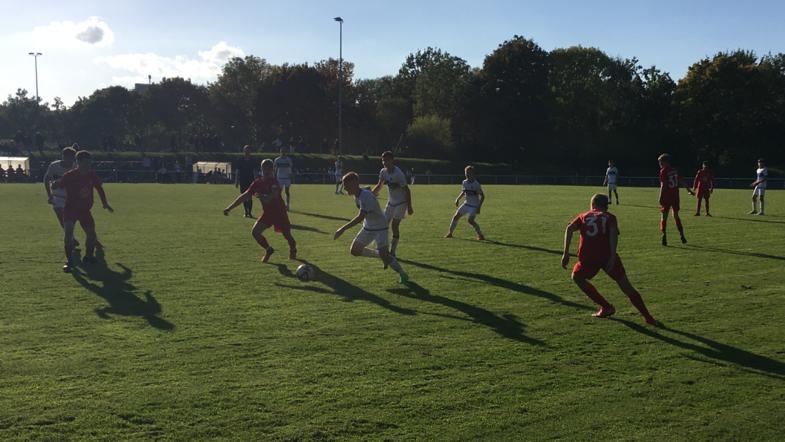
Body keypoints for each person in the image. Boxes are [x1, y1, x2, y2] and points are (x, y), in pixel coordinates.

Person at [561, 194, 657, 325]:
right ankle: (648, 317)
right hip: (606, 256)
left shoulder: (584, 216)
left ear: (593, 204)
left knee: (577, 277)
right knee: (626, 286)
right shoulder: (610, 217)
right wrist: (612, 256)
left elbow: (569, 229)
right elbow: (613, 236)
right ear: (605, 206)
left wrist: (566, 253)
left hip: (588, 256)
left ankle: (606, 306)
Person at [334, 172, 409, 283]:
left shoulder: (365, 196)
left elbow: (360, 217)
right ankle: (382, 255)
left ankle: (402, 273)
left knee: (385, 256)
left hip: (380, 228)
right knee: (355, 250)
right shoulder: (357, 195)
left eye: (346, 185)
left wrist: (342, 229)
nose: (344, 188)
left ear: (354, 183)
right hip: (368, 227)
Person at [50, 151, 114, 273]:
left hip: (84, 211)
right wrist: (54, 185)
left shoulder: (91, 175)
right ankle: (69, 261)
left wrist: (105, 203)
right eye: (86, 162)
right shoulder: (70, 175)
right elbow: (59, 184)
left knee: (91, 235)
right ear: (78, 162)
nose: (88, 165)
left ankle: (88, 256)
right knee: (68, 233)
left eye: (89, 162)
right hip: (70, 209)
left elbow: (99, 188)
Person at [223, 159, 297, 262]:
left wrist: (262, 196)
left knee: (287, 235)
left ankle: (293, 249)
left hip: (279, 213)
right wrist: (229, 208)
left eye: (268, 169)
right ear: (261, 169)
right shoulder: (257, 183)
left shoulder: (274, 181)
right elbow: (245, 196)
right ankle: (268, 249)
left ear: (272, 169)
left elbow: (273, 196)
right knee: (255, 232)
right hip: (268, 213)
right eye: (264, 168)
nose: (266, 171)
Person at [371, 151, 413, 257]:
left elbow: (407, 190)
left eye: (386, 160)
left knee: (394, 226)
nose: (384, 162)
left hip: (401, 203)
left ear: (392, 160)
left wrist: (409, 206)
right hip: (391, 203)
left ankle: (392, 251)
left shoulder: (398, 174)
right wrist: (370, 195)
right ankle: (382, 246)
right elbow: (379, 185)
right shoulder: (383, 172)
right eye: (383, 160)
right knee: (383, 224)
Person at [657, 153, 694, 246]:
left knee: (664, 217)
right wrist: (689, 190)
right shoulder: (674, 170)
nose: (660, 164)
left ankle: (664, 235)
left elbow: (663, 185)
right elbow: (681, 181)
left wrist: (660, 197)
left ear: (665, 162)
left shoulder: (663, 171)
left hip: (667, 196)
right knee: (676, 216)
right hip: (675, 196)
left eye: (661, 162)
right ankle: (682, 235)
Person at [445, 165, 485, 240]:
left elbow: (482, 196)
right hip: (466, 204)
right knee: (456, 216)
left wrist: (479, 207)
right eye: (466, 172)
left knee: (470, 221)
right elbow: (464, 192)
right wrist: (457, 199)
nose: (467, 174)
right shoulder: (464, 182)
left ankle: (480, 235)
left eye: (468, 173)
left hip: (474, 206)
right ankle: (450, 233)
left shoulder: (476, 184)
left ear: (473, 173)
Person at [234, 145, 260, 218]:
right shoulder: (240, 160)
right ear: (243, 151)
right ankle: (246, 211)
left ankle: (250, 212)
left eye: (248, 151)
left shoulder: (253, 160)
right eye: (246, 151)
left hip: (251, 180)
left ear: (250, 151)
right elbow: (238, 171)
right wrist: (236, 181)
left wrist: (256, 181)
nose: (247, 152)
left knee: (250, 196)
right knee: (243, 196)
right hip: (243, 180)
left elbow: (255, 171)